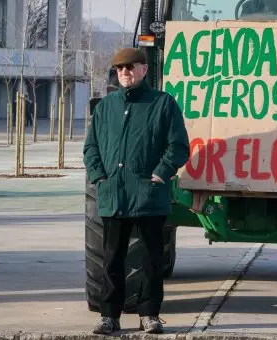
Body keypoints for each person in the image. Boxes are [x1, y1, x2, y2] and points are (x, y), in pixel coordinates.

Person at [83, 47, 190, 335]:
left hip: (148, 196)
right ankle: (109, 316)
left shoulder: (163, 104)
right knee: (112, 259)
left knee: (152, 260)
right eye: (120, 69)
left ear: (144, 69)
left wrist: (161, 173)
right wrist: (99, 178)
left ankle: (150, 315)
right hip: (114, 194)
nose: (125, 73)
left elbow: (178, 146)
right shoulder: (105, 107)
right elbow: (91, 148)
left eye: (130, 67)